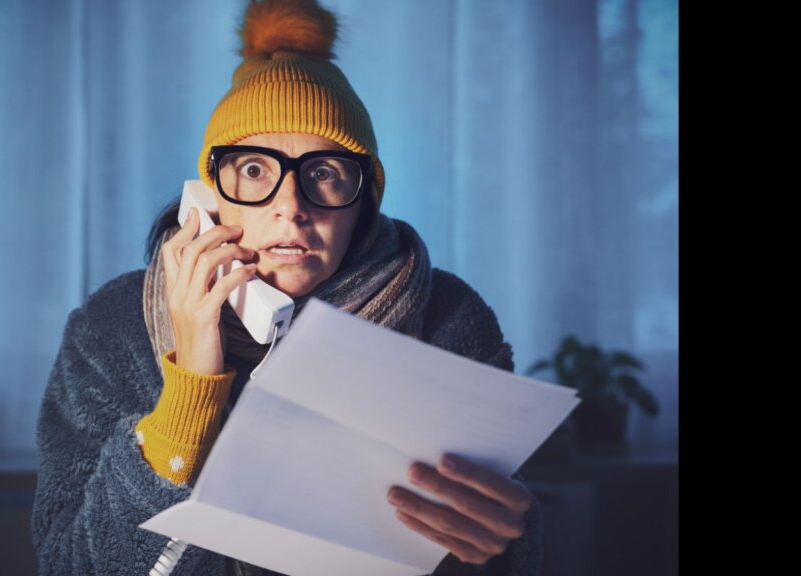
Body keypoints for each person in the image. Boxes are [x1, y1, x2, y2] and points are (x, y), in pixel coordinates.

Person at [31, 1, 543, 574]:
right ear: (209, 195)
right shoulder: (110, 327)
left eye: (323, 172)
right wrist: (190, 392)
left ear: (364, 199)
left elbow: (506, 549)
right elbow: (70, 563)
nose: (290, 207)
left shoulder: (450, 318)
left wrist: (506, 541)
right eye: (253, 170)